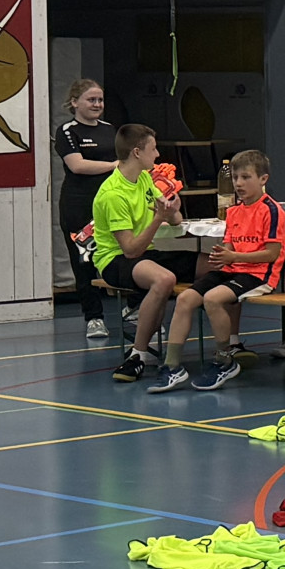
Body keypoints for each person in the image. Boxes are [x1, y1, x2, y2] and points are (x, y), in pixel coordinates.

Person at [149, 149, 285, 394]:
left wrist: (234, 257)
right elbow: (230, 245)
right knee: (185, 298)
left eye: (246, 177)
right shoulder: (234, 211)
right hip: (233, 269)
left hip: (258, 275)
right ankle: (172, 366)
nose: (238, 183)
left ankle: (225, 360)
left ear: (263, 179)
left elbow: (272, 254)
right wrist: (223, 255)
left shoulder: (272, 210)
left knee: (212, 299)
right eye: (235, 178)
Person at [95, 125, 184, 382]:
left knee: (211, 264)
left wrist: (172, 210)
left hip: (147, 254)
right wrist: (158, 218)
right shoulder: (113, 193)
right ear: (137, 152)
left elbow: (175, 219)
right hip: (116, 259)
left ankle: (229, 347)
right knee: (164, 279)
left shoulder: (145, 179)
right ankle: (138, 355)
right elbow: (131, 249)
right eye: (153, 149)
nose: (157, 154)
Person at [55, 78, 119, 342]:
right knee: (84, 262)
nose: (97, 104)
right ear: (75, 102)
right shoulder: (67, 131)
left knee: (123, 254)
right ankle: (94, 317)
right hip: (79, 205)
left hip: (110, 205)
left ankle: (134, 308)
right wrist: (113, 166)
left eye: (100, 100)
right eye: (91, 100)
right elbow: (78, 165)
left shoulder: (109, 129)